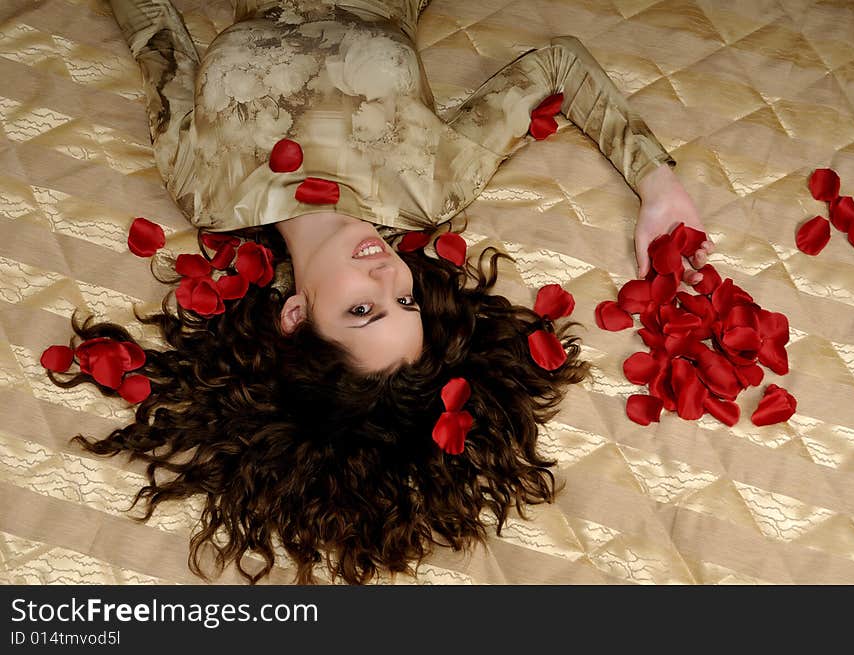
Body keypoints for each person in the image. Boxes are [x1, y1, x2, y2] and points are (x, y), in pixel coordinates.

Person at [49, 0, 714, 584]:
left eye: (361, 309)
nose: (388, 274)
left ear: (294, 313)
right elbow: (558, 64)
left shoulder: (209, 189)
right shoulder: (430, 186)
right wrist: (658, 185)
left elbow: (156, 32)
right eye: (405, 302)